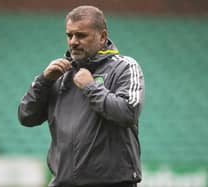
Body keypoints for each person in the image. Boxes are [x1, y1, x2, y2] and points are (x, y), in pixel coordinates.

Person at [18, 5, 145, 187]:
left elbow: (128, 112)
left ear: (102, 37)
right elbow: (26, 116)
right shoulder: (59, 74)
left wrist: (90, 86)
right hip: (62, 183)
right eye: (69, 35)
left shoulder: (124, 67)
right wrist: (43, 81)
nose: (73, 42)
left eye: (81, 35)